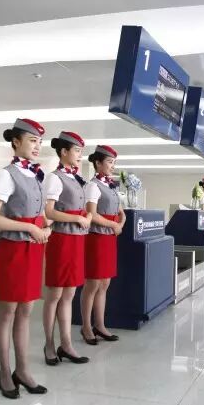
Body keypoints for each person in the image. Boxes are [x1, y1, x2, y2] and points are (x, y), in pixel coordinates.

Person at [0, 118, 49, 399]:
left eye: (39, 142)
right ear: (16, 142)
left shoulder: (36, 175)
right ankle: (4, 371)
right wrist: (30, 228)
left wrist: (45, 228)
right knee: (8, 311)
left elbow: (40, 214)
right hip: (13, 251)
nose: (37, 146)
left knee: (26, 312)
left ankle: (23, 370)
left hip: (33, 250)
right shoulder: (6, 174)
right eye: (32, 140)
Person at [43, 131, 93, 365]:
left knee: (69, 294)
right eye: (77, 151)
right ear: (63, 152)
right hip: (61, 240)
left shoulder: (76, 178)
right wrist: (76, 218)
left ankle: (66, 344)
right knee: (54, 295)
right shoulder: (55, 178)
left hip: (77, 240)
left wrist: (86, 216)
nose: (80, 155)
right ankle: (49, 344)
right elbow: (49, 212)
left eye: (81, 151)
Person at [80, 145, 125, 346]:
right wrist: (113, 225)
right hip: (96, 238)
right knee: (92, 284)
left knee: (105, 284)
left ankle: (100, 324)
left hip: (109, 238)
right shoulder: (93, 186)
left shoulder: (110, 186)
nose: (112, 166)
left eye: (114, 162)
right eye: (109, 162)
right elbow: (92, 214)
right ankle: (86, 327)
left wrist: (121, 221)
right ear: (98, 163)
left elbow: (119, 211)